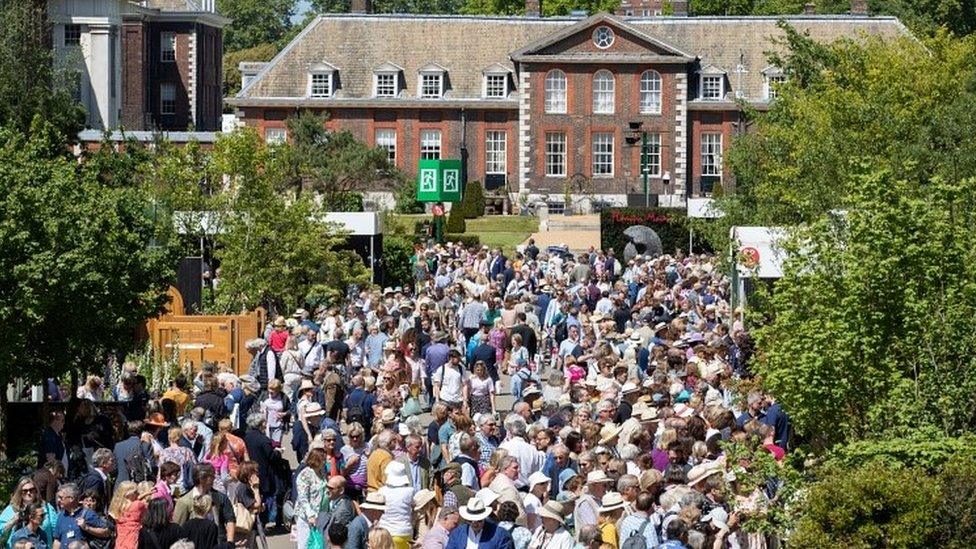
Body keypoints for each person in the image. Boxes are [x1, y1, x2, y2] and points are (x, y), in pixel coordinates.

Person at [172, 463, 236, 546]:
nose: (214, 478)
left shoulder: (220, 498)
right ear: (202, 478)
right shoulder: (184, 502)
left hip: (218, 544)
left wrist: (229, 544)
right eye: (212, 476)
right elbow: (177, 529)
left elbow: (230, 519)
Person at [1, 478, 57, 547]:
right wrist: (12, 521)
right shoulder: (11, 510)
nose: (28, 493)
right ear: (20, 493)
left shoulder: (46, 507)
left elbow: (56, 532)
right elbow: (1, 532)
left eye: (31, 490)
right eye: (25, 491)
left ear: (36, 491)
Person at [52, 483, 111, 547]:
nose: (58, 500)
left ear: (71, 498)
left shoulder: (87, 514)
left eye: (61, 498)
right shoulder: (61, 516)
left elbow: (107, 532)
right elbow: (57, 541)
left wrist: (87, 528)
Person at [444, 497, 514, 549]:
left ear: (484, 518)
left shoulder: (500, 535)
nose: (474, 524)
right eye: (470, 521)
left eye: (479, 520)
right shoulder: (457, 534)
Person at [294, 447, 328, 549]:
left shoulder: (321, 472)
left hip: (320, 514)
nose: (325, 461)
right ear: (317, 459)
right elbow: (303, 497)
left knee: (317, 544)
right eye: (323, 459)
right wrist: (310, 515)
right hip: (306, 516)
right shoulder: (305, 474)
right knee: (305, 544)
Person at [377, 461, 414, 549]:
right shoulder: (410, 491)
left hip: (386, 531)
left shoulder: (382, 491)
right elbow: (413, 505)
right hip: (404, 531)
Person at [107, 481, 151, 549]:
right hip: (133, 539)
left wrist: (145, 494)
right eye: (135, 492)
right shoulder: (138, 505)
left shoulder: (117, 506)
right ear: (129, 494)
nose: (138, 493)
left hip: (121, 541)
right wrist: (148, 494)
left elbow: (132, 502)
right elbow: (149, 506)